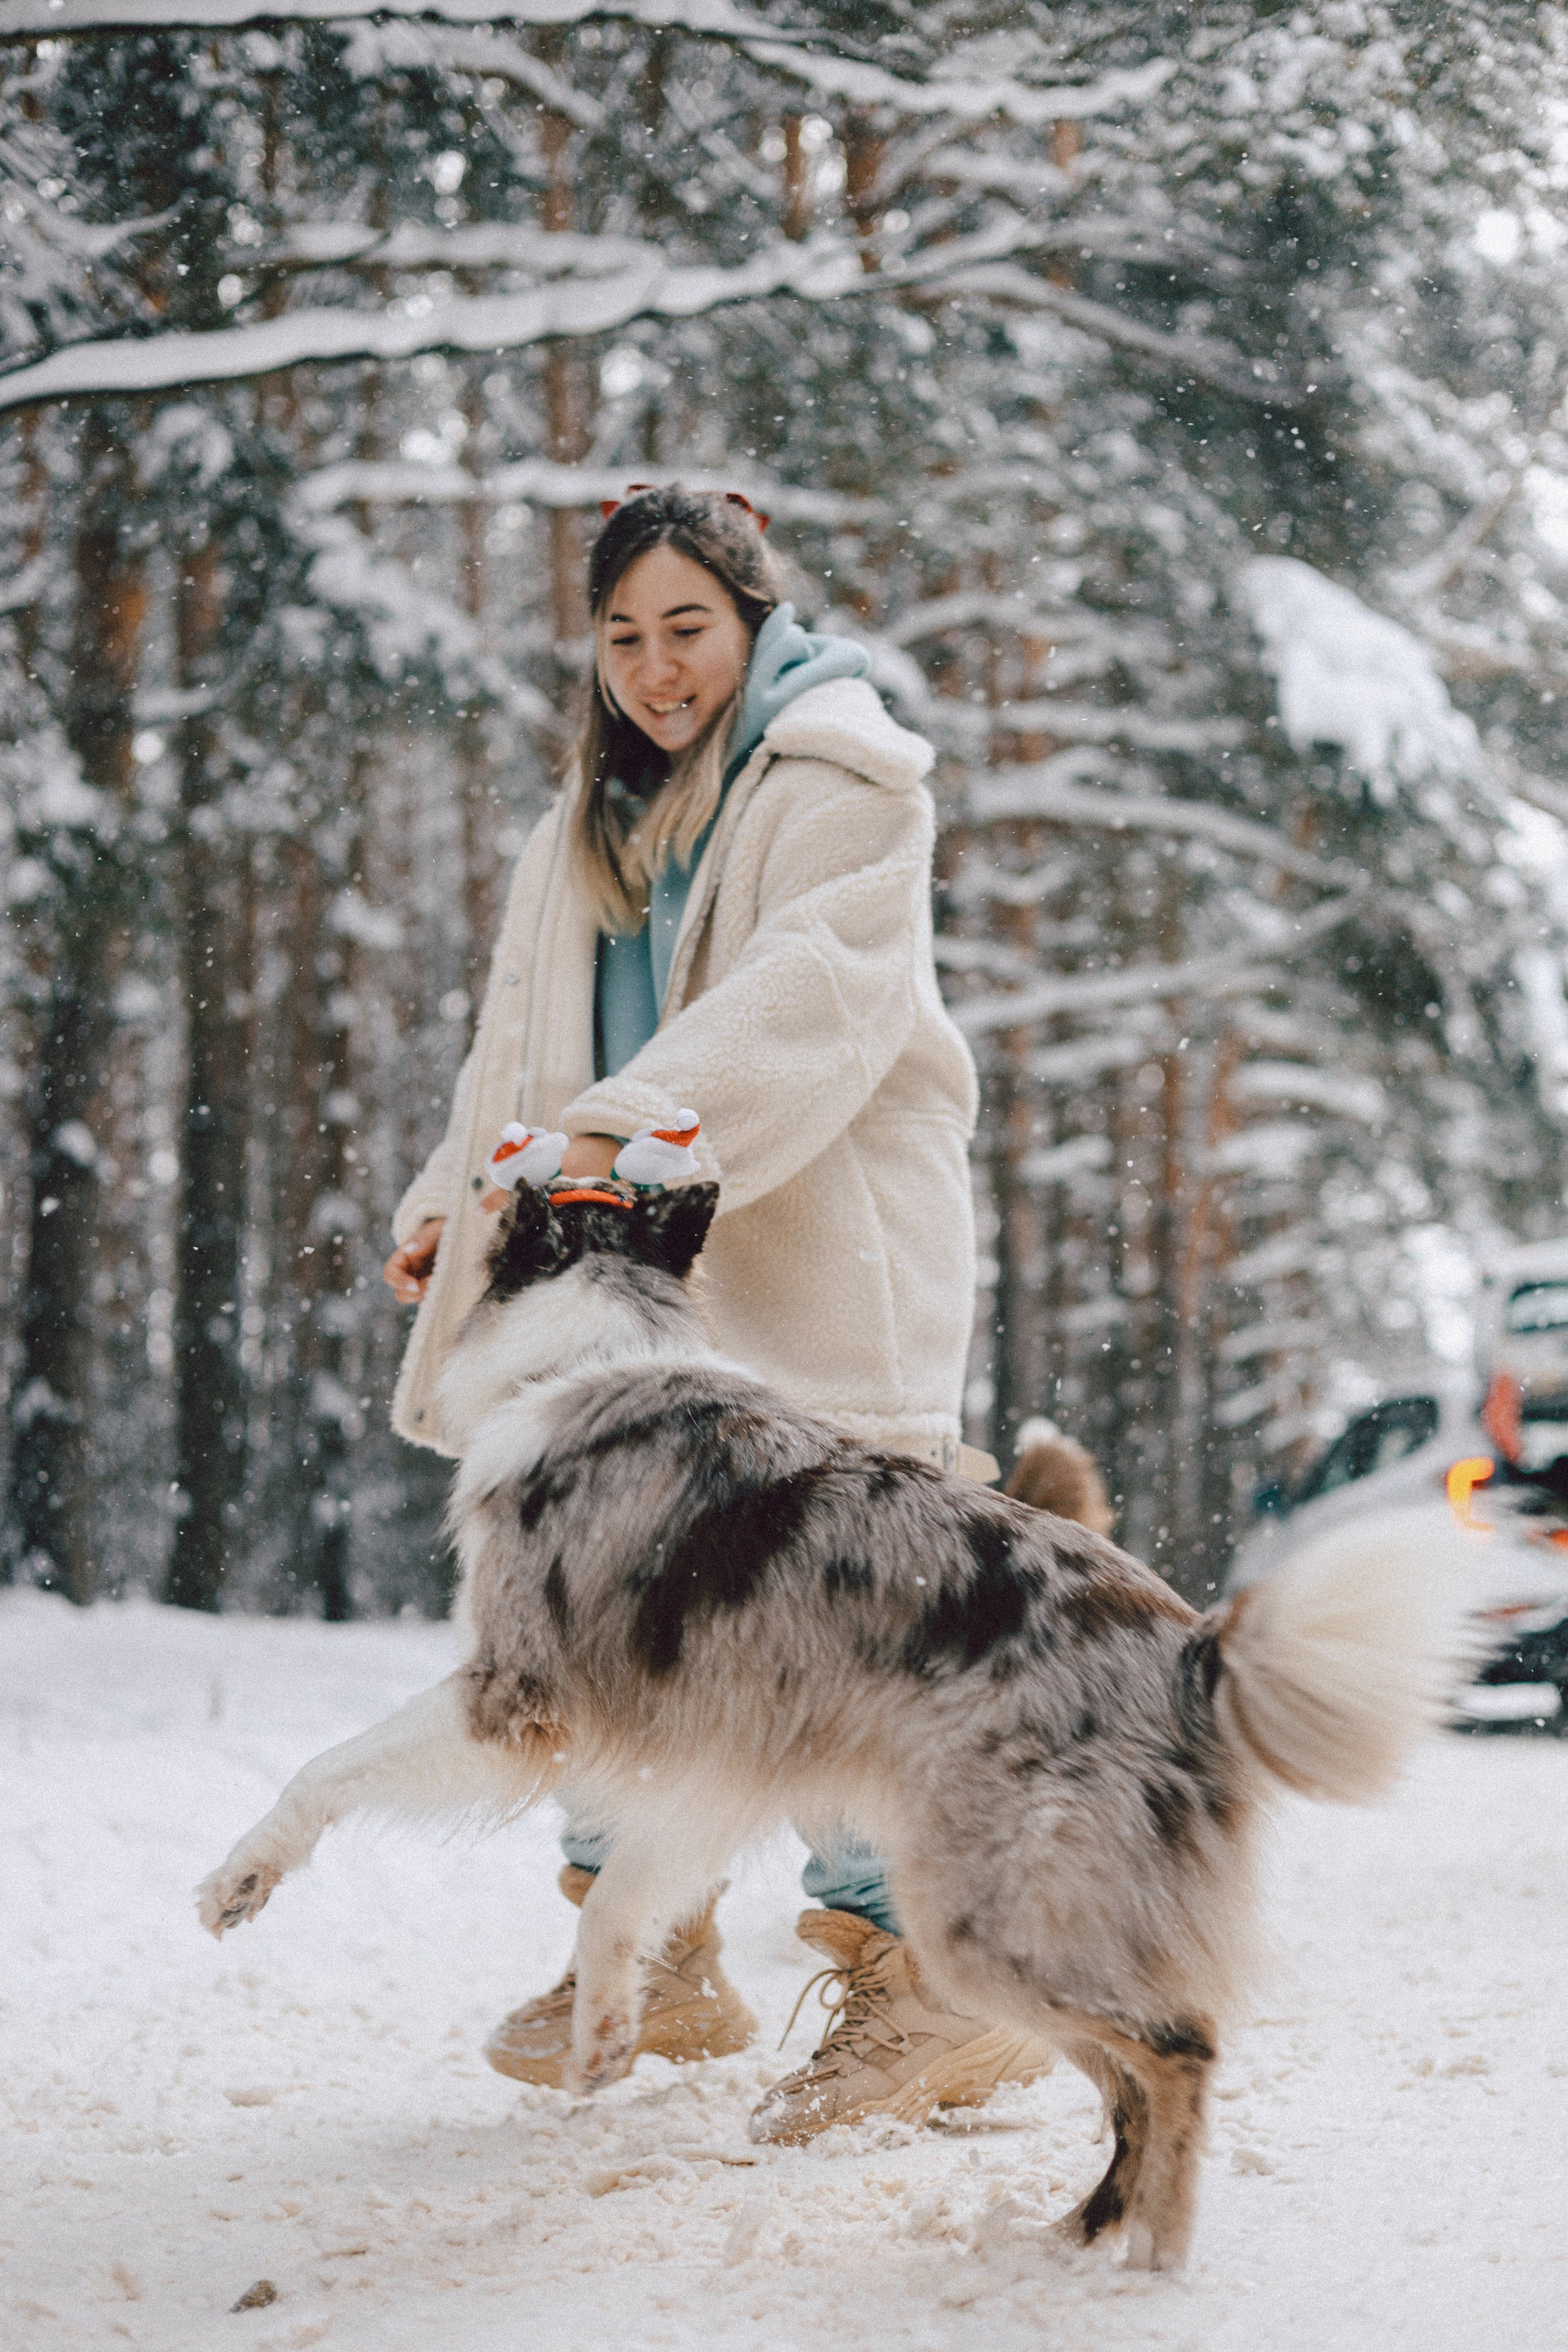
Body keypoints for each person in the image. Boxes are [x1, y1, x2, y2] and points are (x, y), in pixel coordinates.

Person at [382, 484, 1054, 2140]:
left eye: (689, 626)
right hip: (635, 1276)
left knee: (830, 1626)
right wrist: (454, 1200)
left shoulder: (845, 779)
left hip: (816, 1250)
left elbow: (813, 995)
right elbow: (516, 1049)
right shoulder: (592, 821)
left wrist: (617, 1132)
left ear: (757, 620)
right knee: (612, 1597)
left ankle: (930, 1984)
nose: (656, 665)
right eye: (623, 635)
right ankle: (656, 1949)